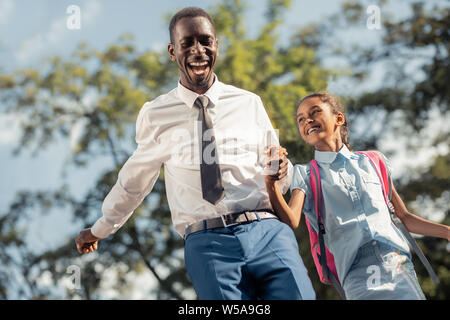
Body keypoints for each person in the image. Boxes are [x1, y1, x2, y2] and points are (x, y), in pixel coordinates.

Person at [75, 7, 315, 300]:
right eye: (187, 43)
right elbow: (134, 182)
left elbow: (279, 169)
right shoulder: (155, 114)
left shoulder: (249, 103)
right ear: (172, 51)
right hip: (207, 243)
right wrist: (101, 228)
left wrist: (281, 170)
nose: (198, 50)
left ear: (216, 45)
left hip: (267, 231)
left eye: (205, 41)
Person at [265, 92, 450, 300]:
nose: (307, 120)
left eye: (315, 112)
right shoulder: (305, 174)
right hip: (355, 275)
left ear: (339, 119)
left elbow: (404, 218)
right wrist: (270, 183)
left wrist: (447, 232)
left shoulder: (374, 161)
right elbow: (290, 220)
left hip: (396, 265)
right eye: (301, 119)